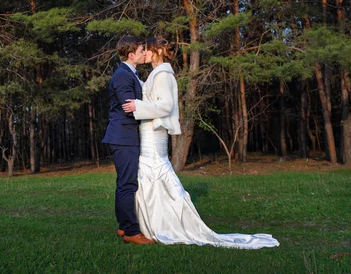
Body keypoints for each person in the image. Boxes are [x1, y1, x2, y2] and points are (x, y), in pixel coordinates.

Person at [122, 37, 279, 249]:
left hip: (153, 134)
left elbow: (166, 106)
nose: (145, 53)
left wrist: (138, 107)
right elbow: (149, 94)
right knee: (149, 177)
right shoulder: (156, 74)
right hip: (149, 131)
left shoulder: (163, 74)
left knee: (154, 172)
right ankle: (150, 223)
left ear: (158, 51)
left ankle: (162, 225)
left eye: (148, 49)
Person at [102, 35, 155, 245]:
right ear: (131, 54)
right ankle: (132, 231)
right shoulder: (122, 75)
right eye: (142, 50)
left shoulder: (129, 73)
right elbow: (128, 107)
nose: (144, 53)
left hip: (124, 136)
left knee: (124, 183)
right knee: (127, 184)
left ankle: (124, 227)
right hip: (123, 137)